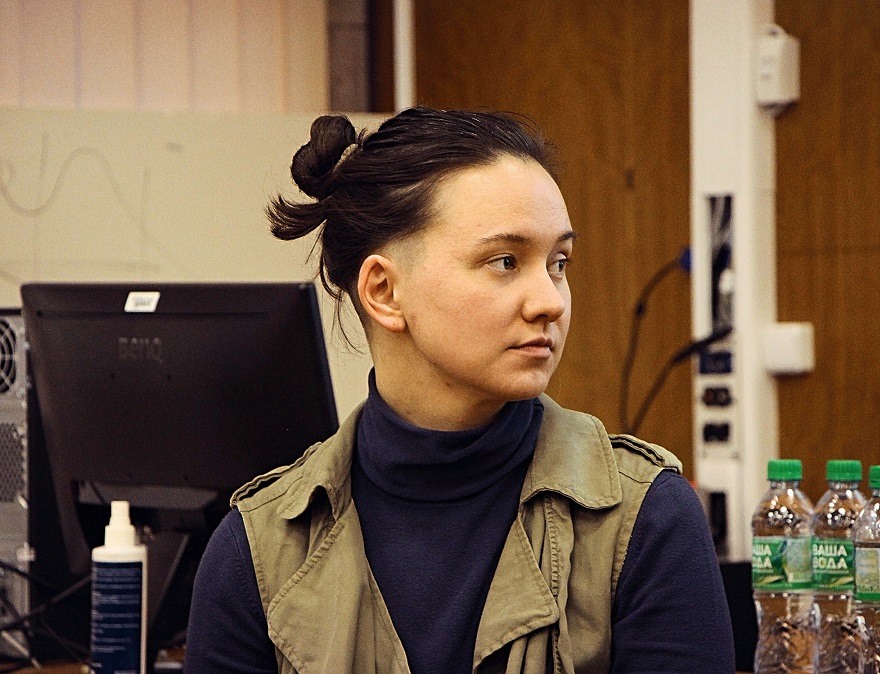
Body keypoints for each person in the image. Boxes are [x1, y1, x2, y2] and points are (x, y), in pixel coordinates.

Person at [184, 106, 735, 673]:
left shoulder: (643, 521)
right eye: (505, 261)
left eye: (558, 262)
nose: (550, 301)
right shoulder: (259, 550)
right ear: (384, 291)